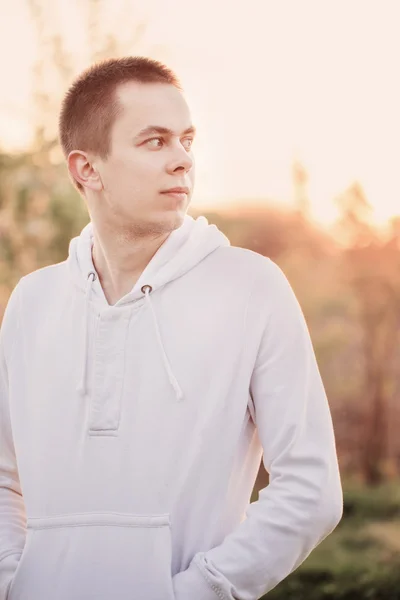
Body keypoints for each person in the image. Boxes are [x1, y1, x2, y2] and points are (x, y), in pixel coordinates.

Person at [0, 56, 343, 600]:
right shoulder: (31, 302)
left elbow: (312, 490)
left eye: (187, 140)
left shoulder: (251, 287)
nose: (183, 160)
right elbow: (3, 480)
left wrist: (197, 592)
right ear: (86, 168)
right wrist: (14, 584)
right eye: (155, 142)